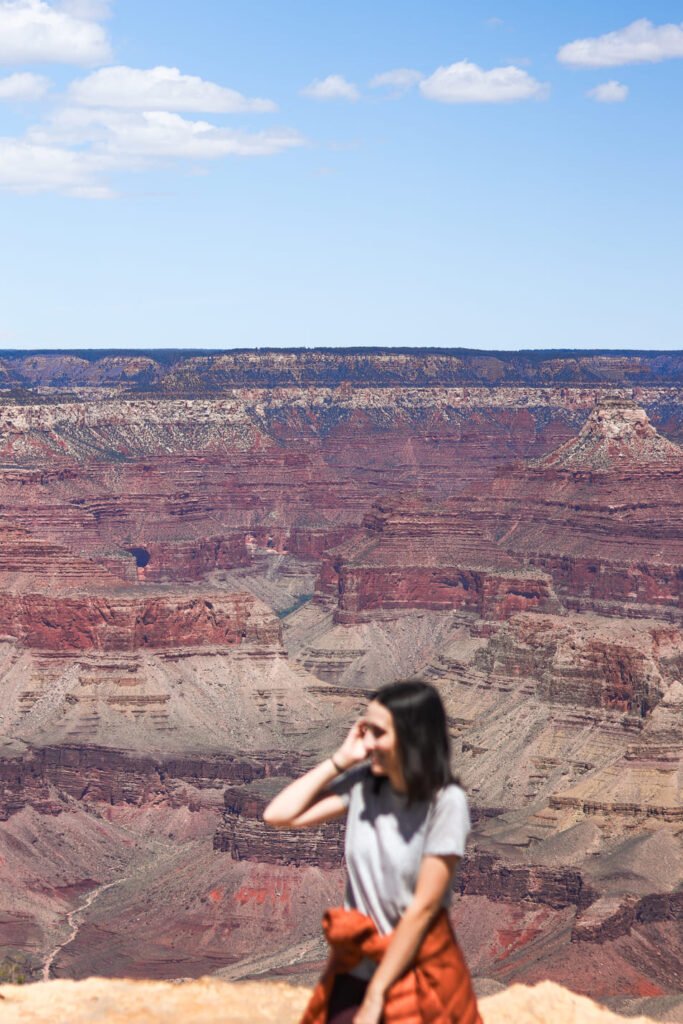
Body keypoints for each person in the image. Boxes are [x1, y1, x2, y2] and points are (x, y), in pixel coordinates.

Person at [263, 679, 481, 1024]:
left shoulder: (445, 803)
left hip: (416, 971)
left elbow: (423, 909)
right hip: (357, 968)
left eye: (377, 733)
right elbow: (278, 815)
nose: (367, 743)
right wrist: (341, 760)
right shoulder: (363, 786)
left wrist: (377, 995)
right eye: (364, 731)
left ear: (411, 737)